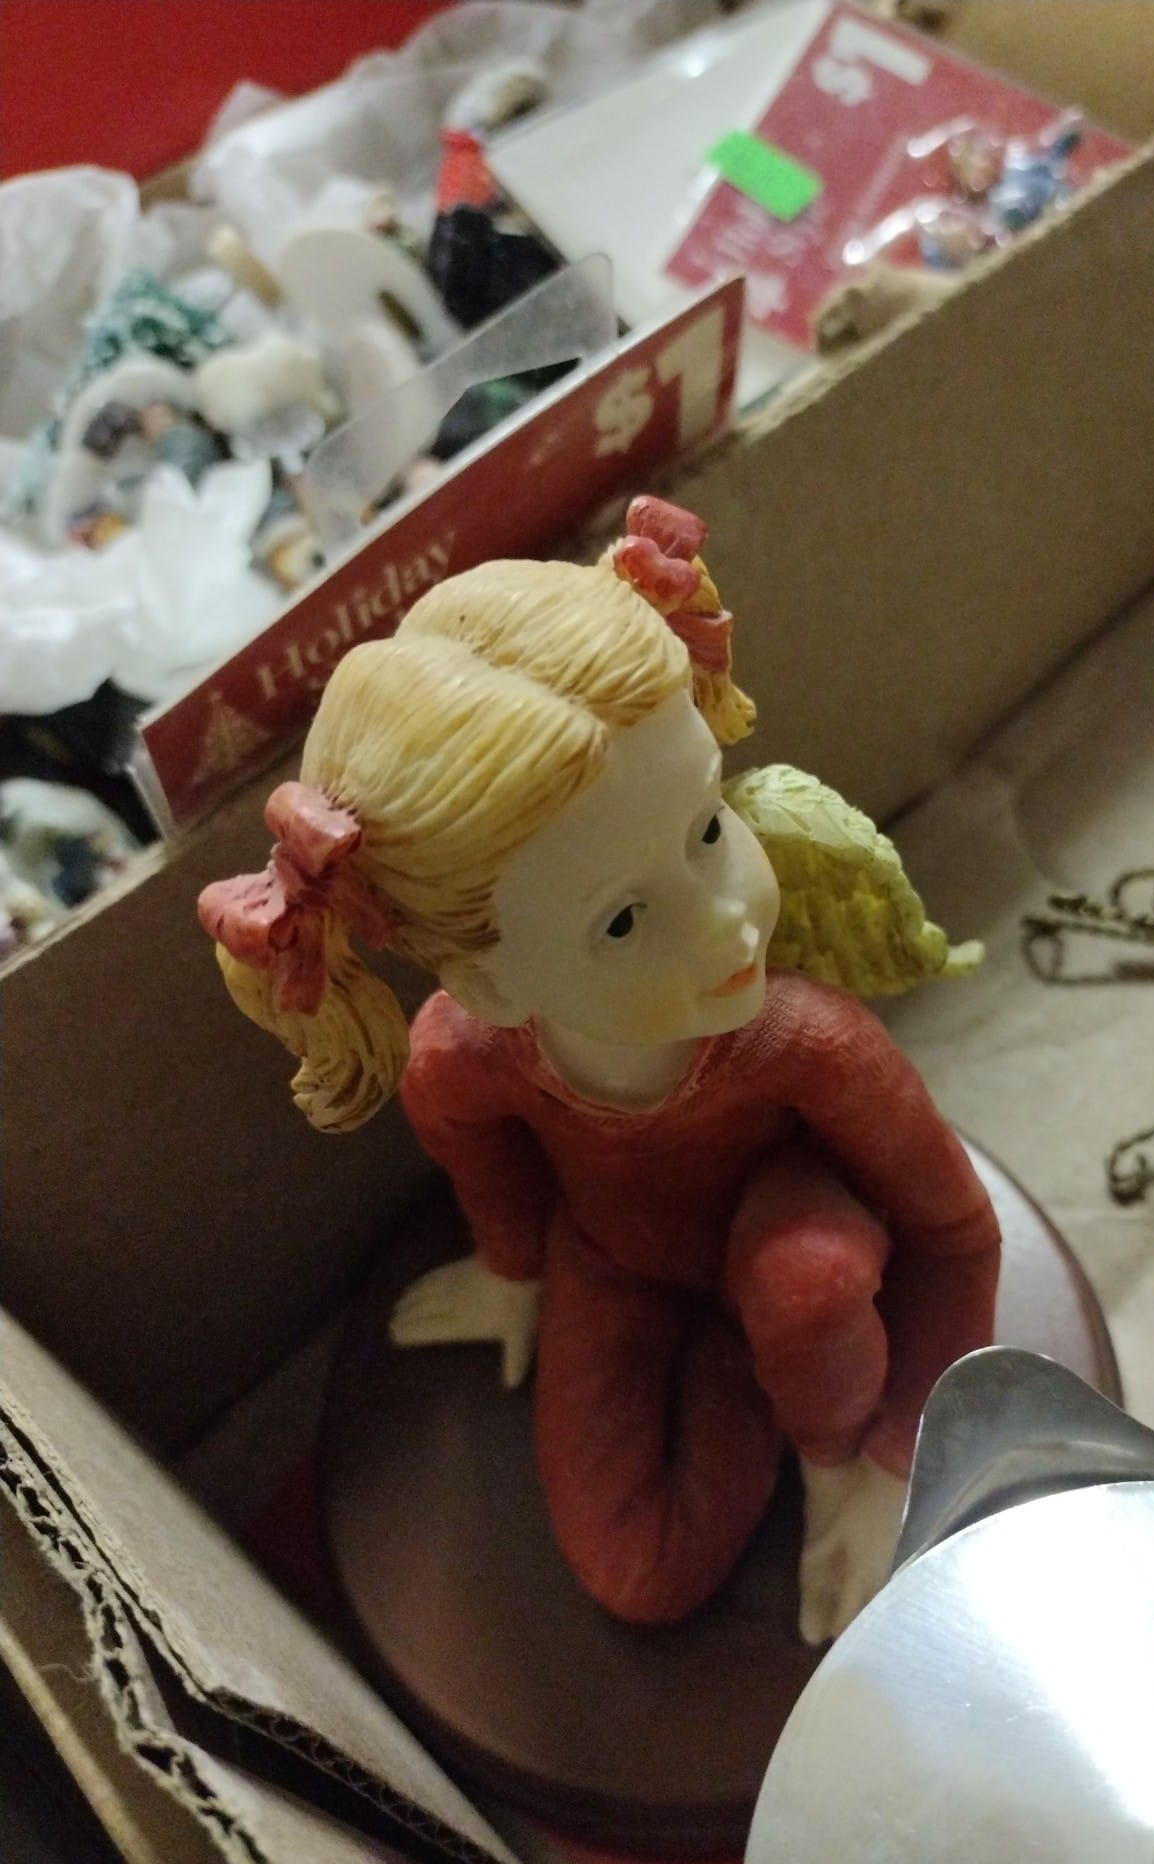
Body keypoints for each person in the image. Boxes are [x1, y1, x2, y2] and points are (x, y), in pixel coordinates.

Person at [200, 498, 1000, 1642]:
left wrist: (881, 1449)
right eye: (623, 921)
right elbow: (485, 1161)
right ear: (485, 980)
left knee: (808, 1284)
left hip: (793, 1239)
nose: (727, 925)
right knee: (636, 1569)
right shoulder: (468, 1051)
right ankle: (751, 1368)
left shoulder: (800, 1042)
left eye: (709, 829)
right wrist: (514, 1274)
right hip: (616, 1259)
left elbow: (957, 1233)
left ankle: (806, 1418)